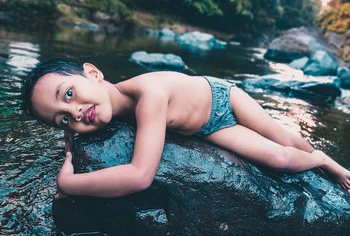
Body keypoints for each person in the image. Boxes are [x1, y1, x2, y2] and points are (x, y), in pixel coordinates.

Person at [21, 59, 350, 198]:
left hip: (223, 98)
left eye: (68, 94)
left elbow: (139, 176)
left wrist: (69, 182)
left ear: (92, 73)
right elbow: (77, 122)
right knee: (281, 160)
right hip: (206, 128)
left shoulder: (149, 96)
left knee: (288, 139)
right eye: (62, 118)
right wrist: (71, 137)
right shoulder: (97, 110)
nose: (76, 111)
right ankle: (319, 159)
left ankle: (323, 160)